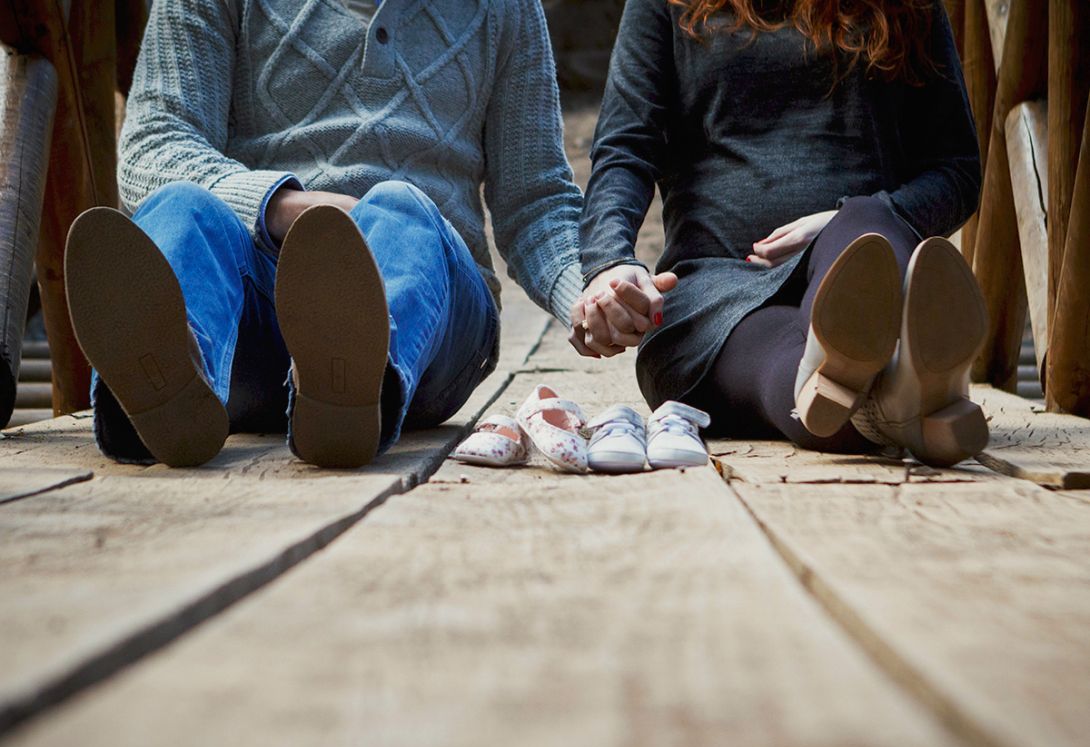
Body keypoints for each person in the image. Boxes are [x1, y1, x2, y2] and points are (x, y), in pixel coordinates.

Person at [65, 0, 584, 468]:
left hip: (436, 325)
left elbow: (535, 196)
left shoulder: (507, 9)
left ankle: (362, 388)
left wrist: (589, 293)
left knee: (400, 208)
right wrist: (280, 207)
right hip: (253, 318)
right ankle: (170, 389)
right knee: (181, 207)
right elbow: (155, 144)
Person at [573, 0, 988, 467]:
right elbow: (625, 149)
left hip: (861, 250)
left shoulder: (910, 6)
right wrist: (610, 263)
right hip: (712, 293)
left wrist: (840, 220)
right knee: (799, 370)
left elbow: (956, 172)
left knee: (864, 232)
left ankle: (883, 394)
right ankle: (901, 393)